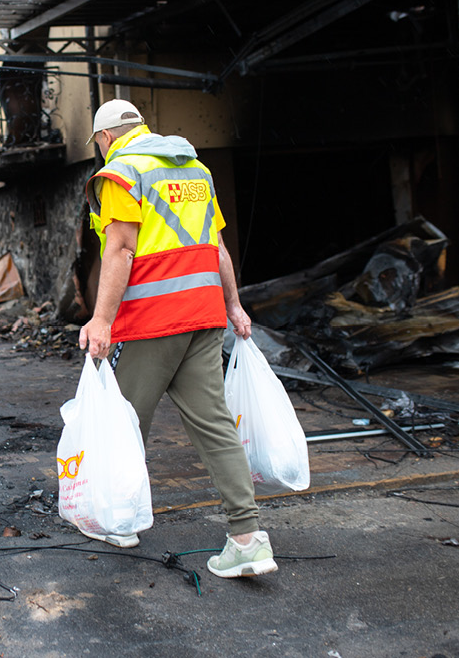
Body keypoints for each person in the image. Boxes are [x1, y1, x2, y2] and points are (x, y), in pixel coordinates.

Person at [77, 98, 277, 578]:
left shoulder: (122, 173)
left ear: (105, 138)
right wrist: (233, 305)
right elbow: (218, 246)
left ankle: (119, 521)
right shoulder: (194, 170)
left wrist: (101, 319)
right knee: (214, 424)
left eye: (99, 144)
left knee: (123, 422)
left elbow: (121, 250)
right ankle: (247, 539)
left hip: (154, 321)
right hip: (204, 315)